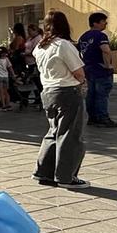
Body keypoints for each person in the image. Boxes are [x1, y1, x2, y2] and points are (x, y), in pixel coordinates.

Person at [31, 11, 88, 189]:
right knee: (70, 134)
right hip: (67, 91)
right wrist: (83, 82)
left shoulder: (40, 47)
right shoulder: (63, 45)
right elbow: (78, 71)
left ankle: (43, 172)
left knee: (53, 132)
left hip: (48, 91)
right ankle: (65, 176)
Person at [78, 12, 117, 128]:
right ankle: (103, 117)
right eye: (103, 21)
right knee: (102, 95)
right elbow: (105, 50)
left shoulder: (83, 37)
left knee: (91, 94)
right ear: (95, 23)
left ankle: (92, 117)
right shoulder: (101, 36)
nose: (105, 24)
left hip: (88, 70)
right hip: (100, 70)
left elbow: (80, 53)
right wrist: (108, 65)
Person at [0, 46, 14, 111]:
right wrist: (13, 75)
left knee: (1, 92)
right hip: (5, 76)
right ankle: (8, 104)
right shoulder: (6, 59)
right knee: (6, 91)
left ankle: (3, 105)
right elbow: (10, 68)